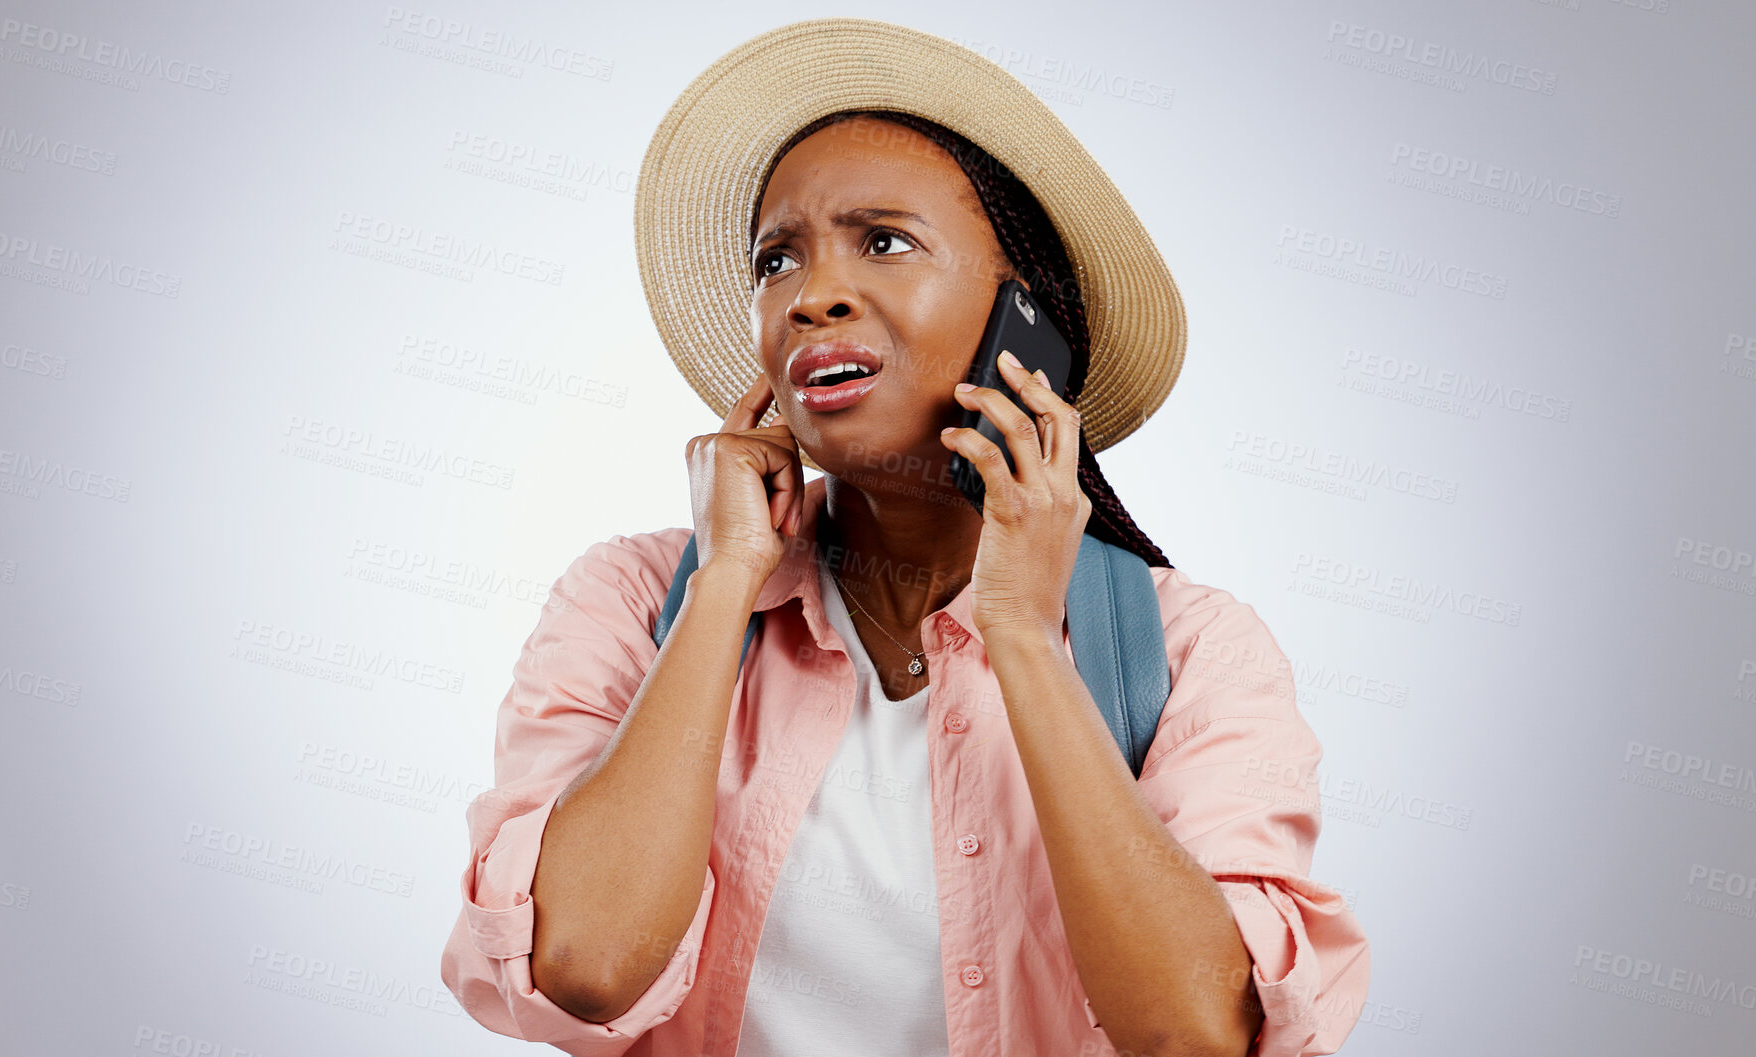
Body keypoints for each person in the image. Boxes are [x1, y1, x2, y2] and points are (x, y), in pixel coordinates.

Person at [441, 17, 1369, 1057]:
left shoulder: (1194, 650)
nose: (810, 297)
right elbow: (585, 967)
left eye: (882, 241)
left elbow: (1199, 1033)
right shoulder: (628, 601)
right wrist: (724, 583)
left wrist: (1019, 632)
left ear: (1028, 318)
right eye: (777, 260)